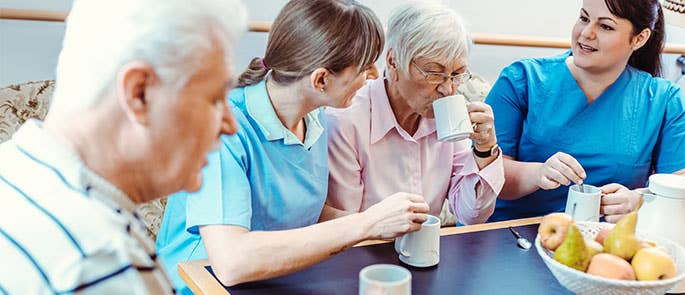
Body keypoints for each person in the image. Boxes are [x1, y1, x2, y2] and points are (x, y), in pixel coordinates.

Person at [156, 0, 430, 292]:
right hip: (199, 285)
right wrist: (365, 225)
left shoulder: (315, 117)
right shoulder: (226, 131)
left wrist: (382, 223)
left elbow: (293, 208)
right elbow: (231, 261)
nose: (374, 75)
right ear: (321, 79)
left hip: (273, 280)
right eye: (365, 67)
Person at [0, 0, 247, 293]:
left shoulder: (14, 165)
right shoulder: (102, 262)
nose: (231, 125)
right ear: (138, 93)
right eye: (215, 98)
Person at [486, 0, 685, 223]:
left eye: (605, 26)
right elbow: (485, 175)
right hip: (509, 235)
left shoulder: (664, 100)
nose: (586, 33)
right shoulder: (521, 80)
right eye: (584, 18)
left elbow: (679, 184)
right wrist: (537, 173)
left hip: (603, 243)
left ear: (639, 38)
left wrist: (637, 199)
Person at [323, 2, 504, 224]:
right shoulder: (345, 121)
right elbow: (345, 227)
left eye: (457, 74)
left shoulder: (449, 116)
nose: (448, 89)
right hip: (368, 252)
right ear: (393, 61)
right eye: (434, 73)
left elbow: (471, 215)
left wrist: (485, 150)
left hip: (428, 251)